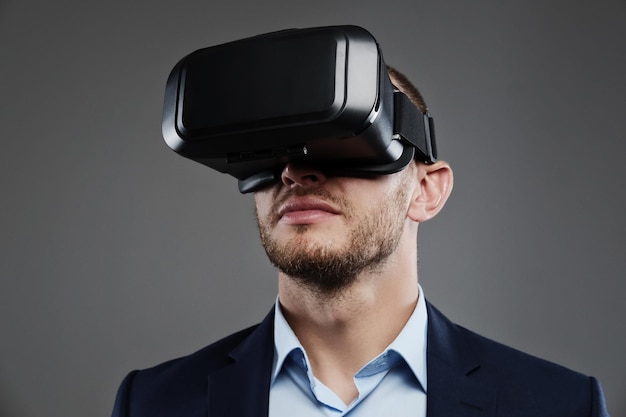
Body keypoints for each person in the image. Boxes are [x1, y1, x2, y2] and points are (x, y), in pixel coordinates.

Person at [111, 66, 610, 416]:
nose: (296, 171)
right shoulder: (153, 404)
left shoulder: (560, 406)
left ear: (426, 189)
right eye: (270, 149)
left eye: (344, 140)